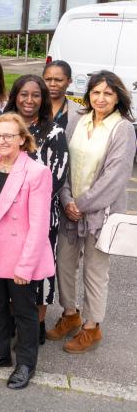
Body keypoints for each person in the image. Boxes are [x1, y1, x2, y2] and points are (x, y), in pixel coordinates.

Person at [47, 71, 135, 354]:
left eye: (108, 94)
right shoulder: (77, 120)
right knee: (64, 264)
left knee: (95, 272)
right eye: (96, 92)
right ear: (88, 95)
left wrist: (81, 205)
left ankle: (91, 327)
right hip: (69, 208)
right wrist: (66, 199)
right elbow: (64, 164)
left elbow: (115, 177)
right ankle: (70, 314)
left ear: (118, 97)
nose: (101, 98)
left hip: (100, 214)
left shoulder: (122, 128)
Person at [0, 113, 54, 390]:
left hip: (18, 252)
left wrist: (25, 267)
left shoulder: (37, 172)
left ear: (22, 140)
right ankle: (0, 354)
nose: (1, 140)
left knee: (24, 310)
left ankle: (25, 363)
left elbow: (39, 226)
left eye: (8, 136)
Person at [4, 75, 69, 342]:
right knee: (9, 269)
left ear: (43, 100)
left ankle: (37, 326)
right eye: (23, 94)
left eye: (35, 95)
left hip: (40, 217)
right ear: (15, 97)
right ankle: (11, 323)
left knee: (38, 272)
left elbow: (56, 178)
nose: (29, 100)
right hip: (5, 216)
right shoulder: (4, 127)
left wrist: (23, 202)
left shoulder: (54, 133)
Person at [43, 60, 81, 128]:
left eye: (58, 80)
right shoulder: (32, 105)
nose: (52, 84)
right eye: (48, 79)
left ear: (69, 81)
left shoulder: (78, 111)